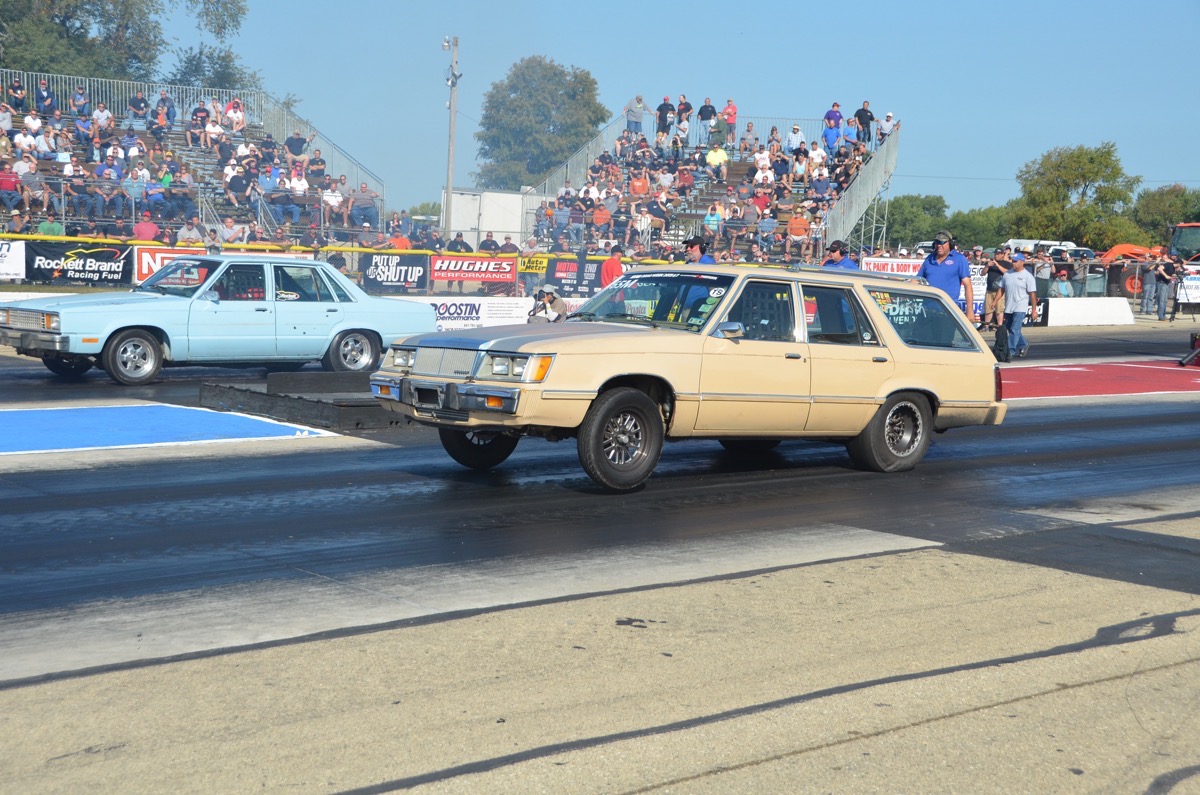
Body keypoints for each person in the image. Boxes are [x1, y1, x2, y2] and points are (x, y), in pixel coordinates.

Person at [917, 230, 976, 324]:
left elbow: (967, 285)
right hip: (927, 310)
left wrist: (970, 310)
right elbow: (917, 280)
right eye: (937, 242)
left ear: (951, 244)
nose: (939, 245)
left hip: (948, 311)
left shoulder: (959, 259)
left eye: (942, 242)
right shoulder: (929, 259)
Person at [1001, 253, 1038, 358]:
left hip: (1020, 306)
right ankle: (1023, 344)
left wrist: (1034, 310)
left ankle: (1010, 351)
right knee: (1010, 328)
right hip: (1009, 306)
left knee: (1014, 329)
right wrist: (995, 301)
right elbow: (1001, 288)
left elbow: (1032, 294)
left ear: (1022, 262)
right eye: (1012, 261)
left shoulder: (1028, 276)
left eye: (1015, 261)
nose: (1013, 263)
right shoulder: (1007, 274)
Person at [981, 247, 1011, 330]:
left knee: (999, 310)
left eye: (998, 254)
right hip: (990, 289)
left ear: (1002, 255)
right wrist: (987, 266)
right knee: (988, 309)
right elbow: (982, 273)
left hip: (1000, 290)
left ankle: (999, 326)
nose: (996, 256)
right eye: (995, 254)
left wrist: (997, 265)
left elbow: (1007, 273)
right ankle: (986, 326)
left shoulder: (1006, 263)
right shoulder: (990, 263)